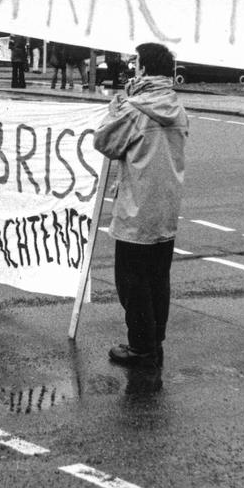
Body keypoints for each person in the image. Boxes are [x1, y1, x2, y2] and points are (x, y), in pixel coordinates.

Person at [93, 42, 189, 368]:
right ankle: (154, 339)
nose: (132, 68)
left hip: (137, 208)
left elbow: (104, 140)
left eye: (135, 64)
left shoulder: (134, 110)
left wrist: (116, 107)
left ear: (144, 69)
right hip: (165, 206)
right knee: (158, 278)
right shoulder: (176, 107)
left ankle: (140, 346)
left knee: (131, 281)